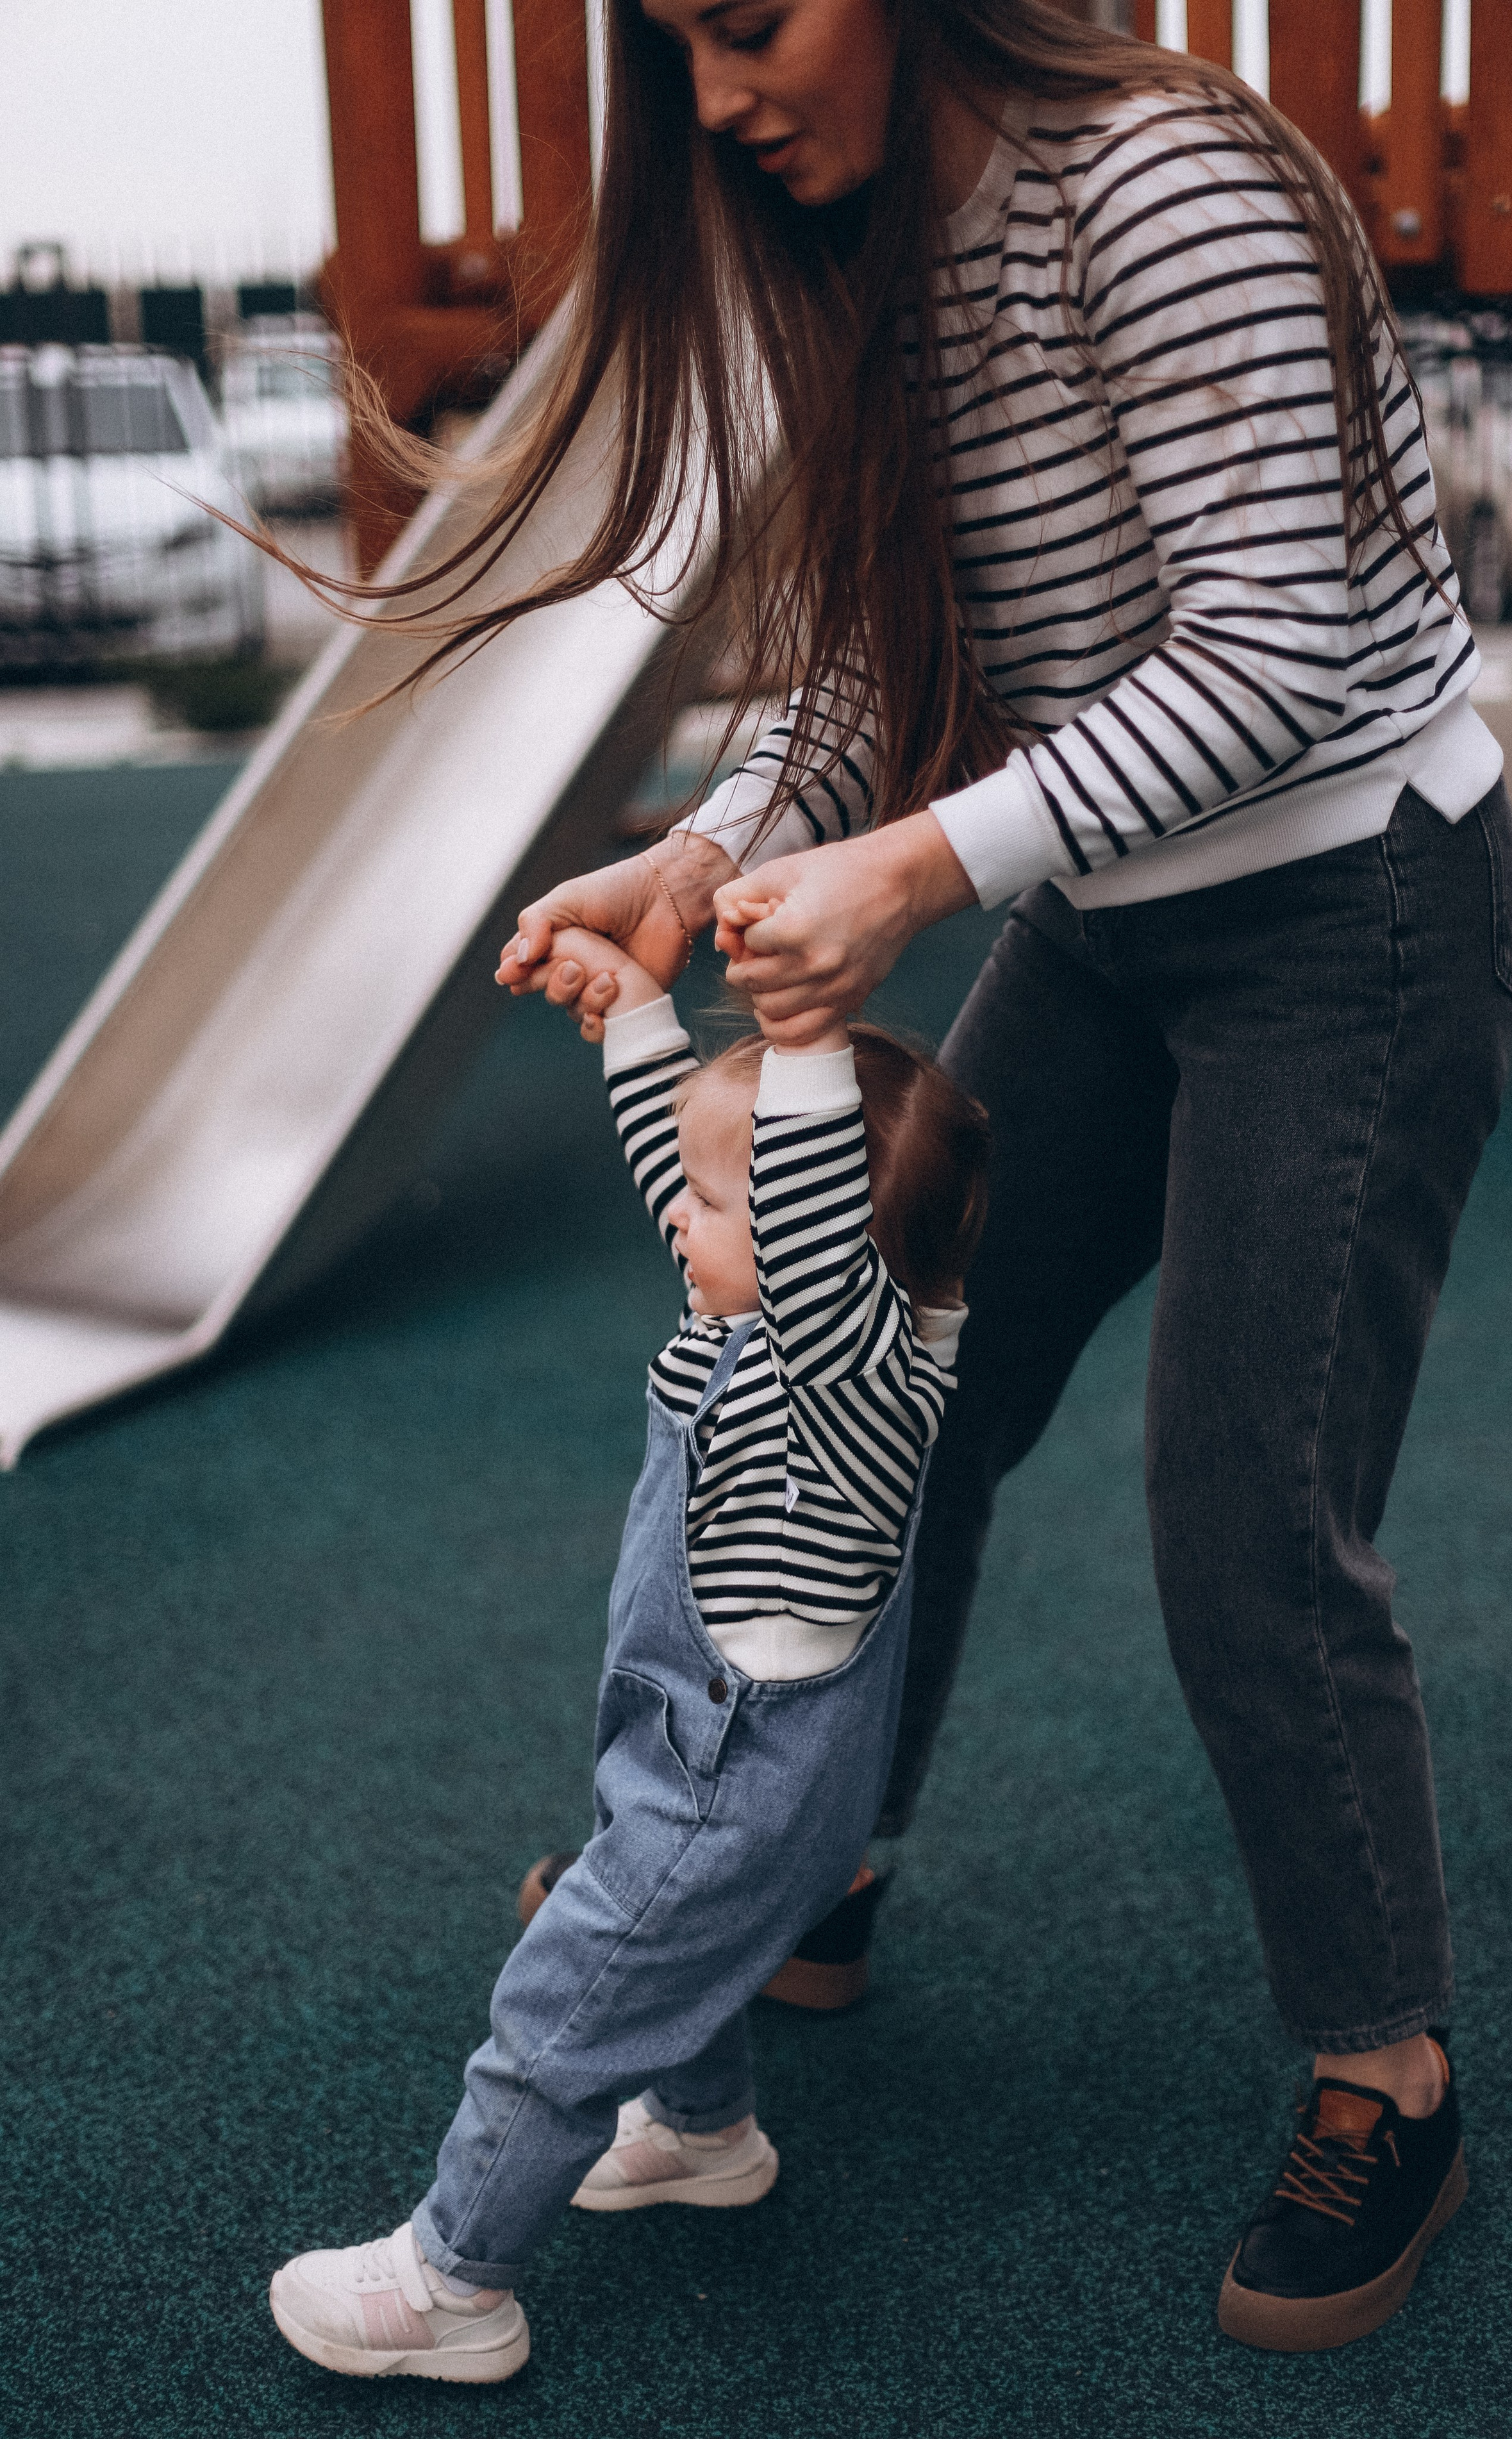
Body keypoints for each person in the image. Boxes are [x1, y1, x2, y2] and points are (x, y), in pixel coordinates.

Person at [308, 0, 1512, 2358]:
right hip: (1109, 911)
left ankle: (1398, 2067)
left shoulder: (1156, 185)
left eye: (752, 25)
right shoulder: (858, 249)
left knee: (1250, 1517)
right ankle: (812, 1853)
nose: (720, 91)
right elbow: (876, 646)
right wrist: (705, 853)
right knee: (910, 1396)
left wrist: (918, 871)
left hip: (1349, 894)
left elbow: (1275, 643)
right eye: (677, 44)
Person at [267, 920, 988, 2382]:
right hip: (684, 1733)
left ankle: (452, 2282)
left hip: (742, 1776)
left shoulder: (850, 1378)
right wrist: (644, 1010)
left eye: (734, 1203)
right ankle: (704, 2134)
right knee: (676, 1957)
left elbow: (770, 1193)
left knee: (565, 2002)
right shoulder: (754, 1306)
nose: (682, 1220)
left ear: (811, 1236)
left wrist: (800, 1044)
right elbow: (689, 1167)